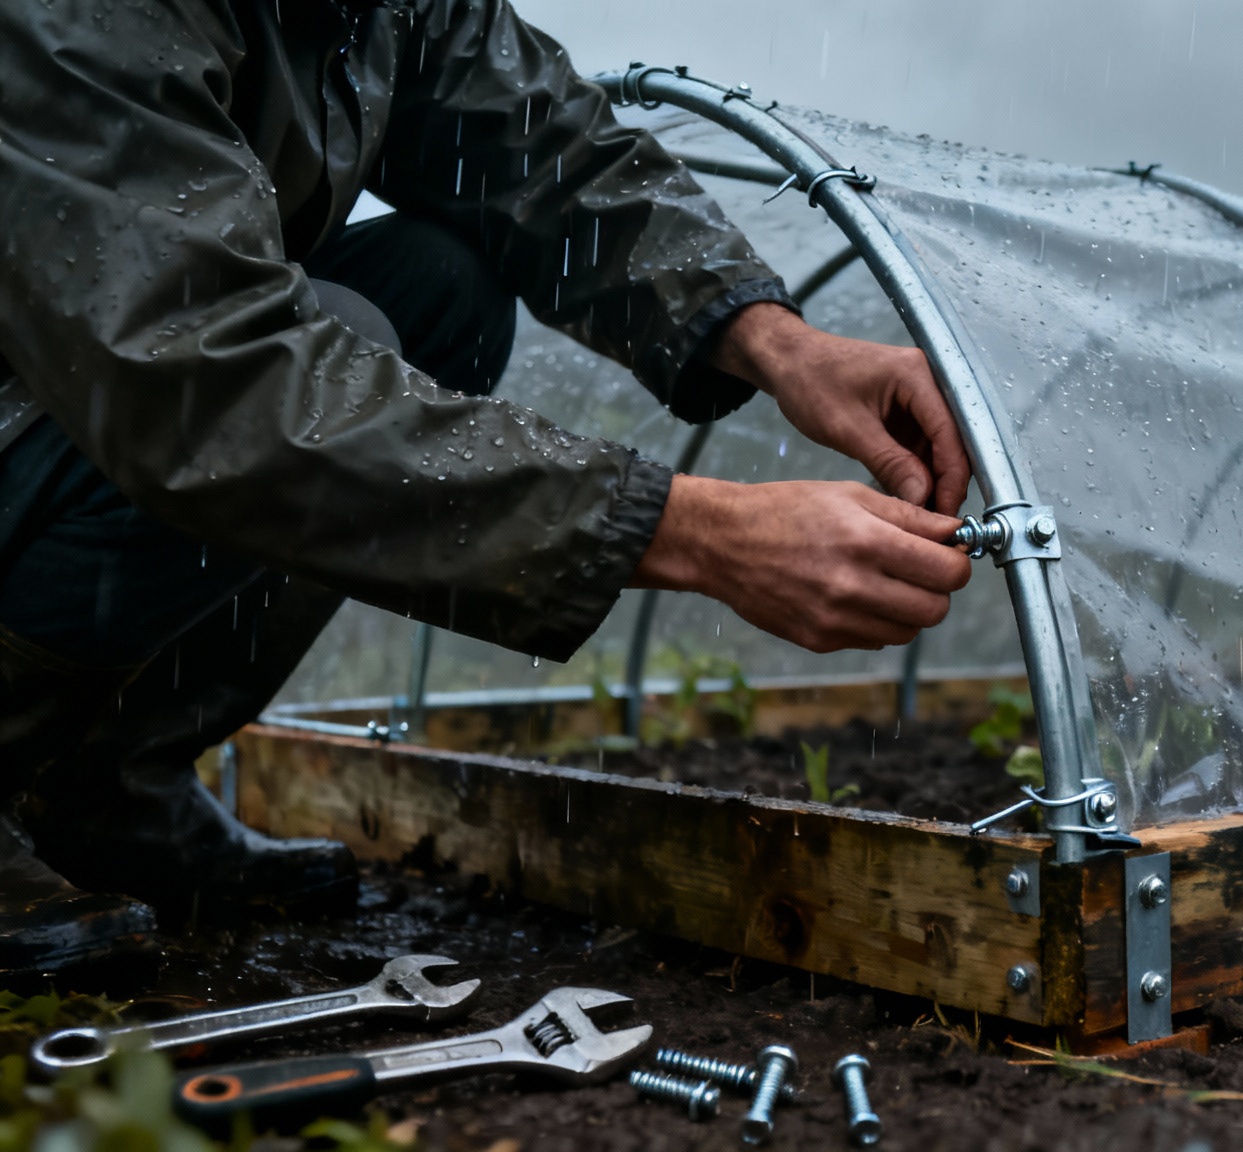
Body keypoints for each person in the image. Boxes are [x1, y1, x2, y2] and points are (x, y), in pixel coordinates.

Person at [0, 0, 975, 972]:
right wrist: (694, 532)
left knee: (436, 290)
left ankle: (106, 789)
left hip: (100, 389)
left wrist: (779, 343)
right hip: (91, 383)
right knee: (328, 349)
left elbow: (538, 150)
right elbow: (206, 386)